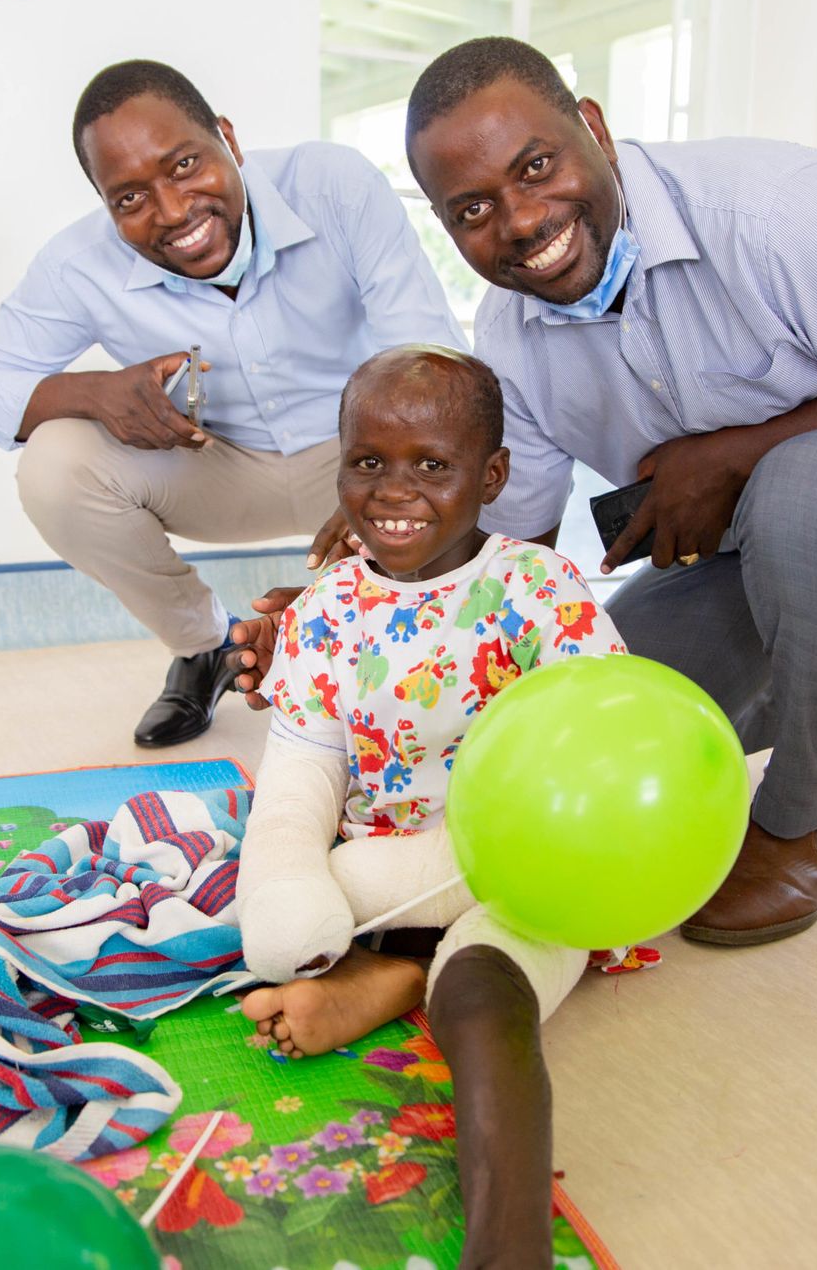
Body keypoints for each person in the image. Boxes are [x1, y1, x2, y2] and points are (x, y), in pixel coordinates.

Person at [234, 37, 817, 947]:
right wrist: (350, 615)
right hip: (732, 567)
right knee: (580, 701)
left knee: (813, 484)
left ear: (595, 130)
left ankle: (804, 817)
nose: (522, 220)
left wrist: (739, 454)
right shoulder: (513, 340)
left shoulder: (778, 215)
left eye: (536, 166)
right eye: (473, 209)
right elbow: (492, 554)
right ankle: (808, 674)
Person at [0, 60, 464, 748]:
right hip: (220, 469)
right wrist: (93, 392)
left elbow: (430, 362)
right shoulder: (77, 266)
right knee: (54, 464)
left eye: (185, 164)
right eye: (129, 199)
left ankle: (379, 631)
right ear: (104, 205)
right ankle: (204, 646)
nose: (173, 211)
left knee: (456, 454)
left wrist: (379, 507)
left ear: (229, 139)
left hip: (362, 459)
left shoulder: (332, 185)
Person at [235, 344, 623, 1268]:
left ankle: (509, 1251)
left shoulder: (538, 593)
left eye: (432, 466)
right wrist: (287, 874)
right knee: (286, 892)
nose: (394, 491)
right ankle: (395, 970)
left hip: (525, 867)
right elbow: (302, 771)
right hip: (386, 862)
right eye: (368, 463)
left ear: (491, 476)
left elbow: (595, 756)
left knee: (487, 998)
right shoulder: (330, 603)